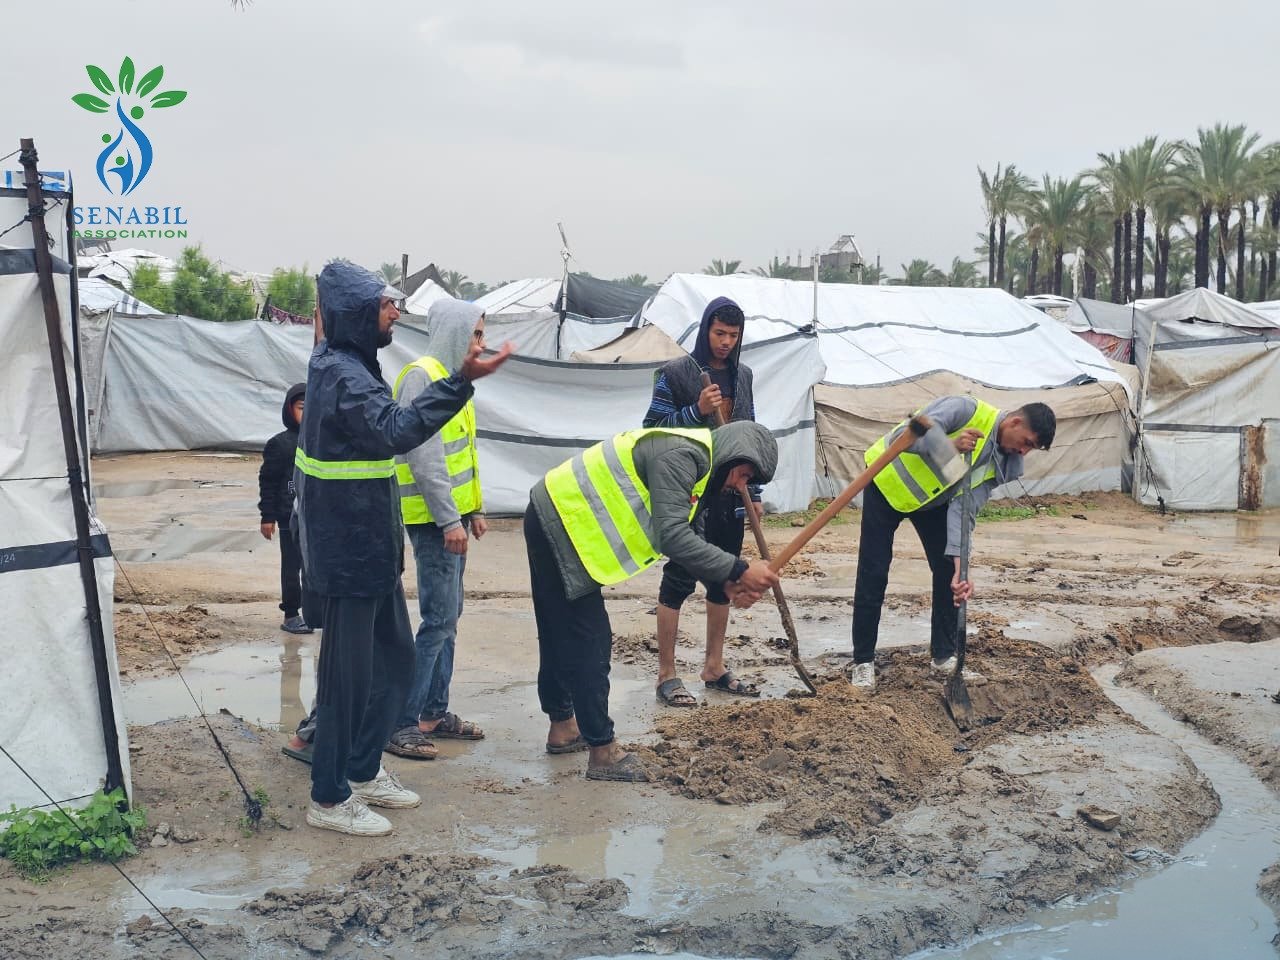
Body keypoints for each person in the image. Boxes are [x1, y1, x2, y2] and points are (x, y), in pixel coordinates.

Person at [294, 260, 510, 836]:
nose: (396, 310)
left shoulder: (349, 363)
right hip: (348, 556)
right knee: (348, 680)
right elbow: (396, 431)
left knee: (394, 664)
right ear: (356, 314)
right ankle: (330, 796)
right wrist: (459, 382)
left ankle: (363, 772)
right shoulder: (343, 374)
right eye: (386, 304)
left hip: (371, 548)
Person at [527, 420, 780, 782]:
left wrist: (723, 582)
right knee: (588, 639)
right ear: (732, 457)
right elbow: (672, 536)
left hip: (554, 511)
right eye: (743, 475)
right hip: (565, 521)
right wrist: (740, 569)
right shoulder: (682, 456)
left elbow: (690, 531)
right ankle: (603, 751)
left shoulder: (695, 465)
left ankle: (563, 727)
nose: (740, 486)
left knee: (557, 629)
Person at [849, 398, 1056, 690]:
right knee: (874, 571)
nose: (1023, 451)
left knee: (949, 571)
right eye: (1026, 442)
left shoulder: (1004, 461)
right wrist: (952, 448)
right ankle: (863, 661)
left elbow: (966, 508)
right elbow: (903, 437)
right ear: (1014, 422)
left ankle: (944, 657)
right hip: (887, 484)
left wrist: (962, 566)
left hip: (932, 501)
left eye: (1031, 449)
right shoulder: (965, 410)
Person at [642, 296, 762, 707]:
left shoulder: (743, 376)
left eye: (733, 335)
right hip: (688, 493)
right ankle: (666, 674)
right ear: (706, 330)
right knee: (678, 579)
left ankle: (713, 666)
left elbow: (747, 435)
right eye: (719, 333)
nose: (726, 342)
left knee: (724, 580)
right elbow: (652, 430)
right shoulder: (677, 374)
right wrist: (695, 410)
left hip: (729, 495)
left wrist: (754, 494)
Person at [386, 299, 489, 761]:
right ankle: (403, 722)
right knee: (437, 619)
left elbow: (464, 452)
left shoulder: (454, 381)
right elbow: (422, 457)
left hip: (454, 519)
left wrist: (475, 509)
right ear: (454, 333)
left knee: (449, 617)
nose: (481, 344)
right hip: (433, 521)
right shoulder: (421, 377)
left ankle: (433, 711)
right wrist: (449, 519)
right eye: (477, 334)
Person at [258, 382, 317, 634]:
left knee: (315, 567)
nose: (307, 413)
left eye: (311, 408)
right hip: (288, 517)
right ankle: (291, 613)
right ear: (289, 410)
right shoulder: (280, 445)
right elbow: (268, 482)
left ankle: (316, 611)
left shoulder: (320, 442)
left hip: (316, 517)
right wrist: (267, 516)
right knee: (292, 567)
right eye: (302, 408)